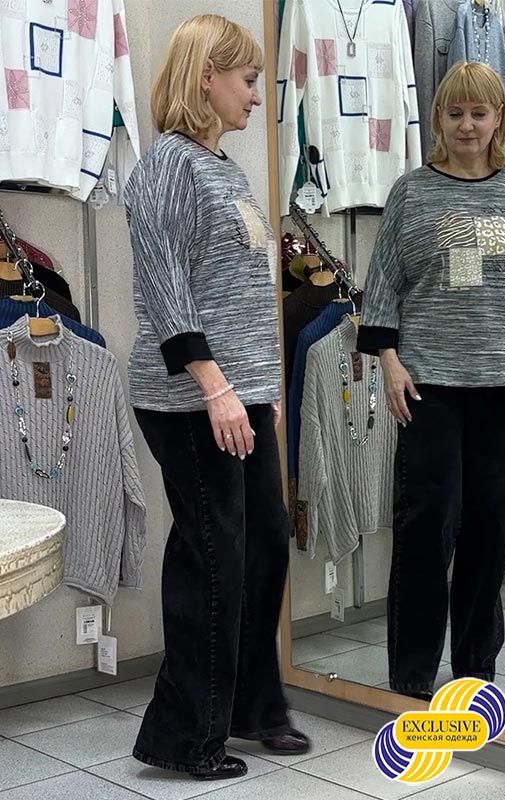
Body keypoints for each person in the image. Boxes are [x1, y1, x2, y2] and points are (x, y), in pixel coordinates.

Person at [124, 14, 309, 781]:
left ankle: (252, 708)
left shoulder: (224, 168)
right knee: (214, 562)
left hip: (239, 394)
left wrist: (259, 388)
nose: (256, 96)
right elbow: (167, 289)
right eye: (247, 80)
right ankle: (184, 737)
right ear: (208, 76)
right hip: (189, 399)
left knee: (264, 548)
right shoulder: (168, 165)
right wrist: (217, 387)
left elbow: (238, 291)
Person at [357, 61, 505, 702]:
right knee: (427, 526)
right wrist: (388, 359)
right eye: (455, 113)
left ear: (499, 119)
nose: (466, 125)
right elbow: (383, 282)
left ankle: (476, 668)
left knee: (492, 527)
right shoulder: (412, 193)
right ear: (438, 120)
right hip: (428, 386)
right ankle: (412, 677)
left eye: (479, 113)